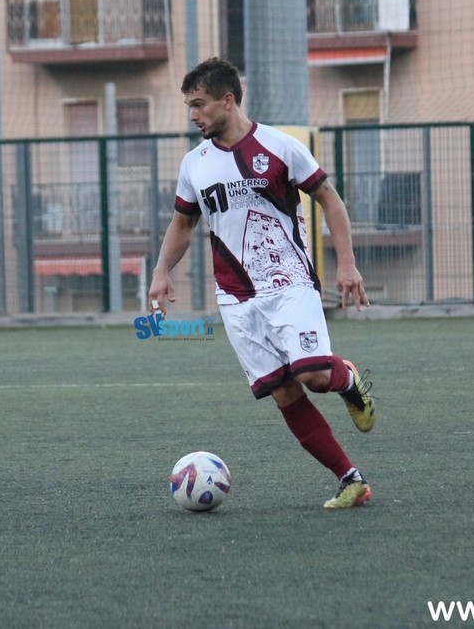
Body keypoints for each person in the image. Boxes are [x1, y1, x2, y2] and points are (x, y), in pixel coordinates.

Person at [148, 57, 376, 511]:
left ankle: (346, 377)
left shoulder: (280, 147)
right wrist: (160, 271)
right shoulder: (194, 164)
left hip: (289, 282)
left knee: (313, 375)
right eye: (189, 105)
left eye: (199, 104)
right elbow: (183, 224)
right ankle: (351, 480)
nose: (193, 114)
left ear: (227, 100)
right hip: (235, 298)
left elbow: (329, 199)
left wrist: (347, 264)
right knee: (284, 391)